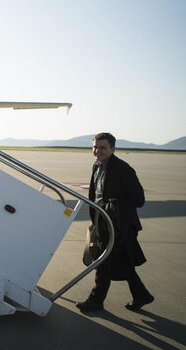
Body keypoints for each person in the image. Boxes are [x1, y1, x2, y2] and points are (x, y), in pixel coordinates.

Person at [76, 132, 154, 312]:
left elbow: (139, 199)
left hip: (120, 225)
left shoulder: (123, 169)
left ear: (112, 149)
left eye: (102, 147)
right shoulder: (97, 166)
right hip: (103, 222)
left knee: (103, 262)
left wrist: (114, 205)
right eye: (95, 147)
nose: (97, 151)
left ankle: (95, 301)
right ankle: (141, 295)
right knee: (122, 263)